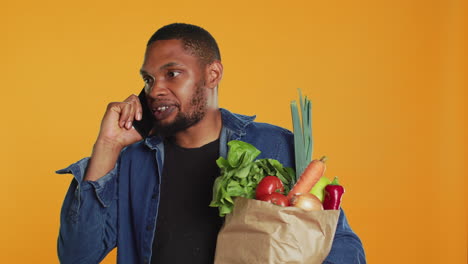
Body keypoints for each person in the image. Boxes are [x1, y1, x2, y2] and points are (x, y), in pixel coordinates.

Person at [57, 23, 366, 264]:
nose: (154, 91)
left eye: (172, 74)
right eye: (149, 80)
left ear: (213, 74)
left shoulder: (275, 146)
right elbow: (76, 256)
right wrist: (109, 145)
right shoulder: (130, 162)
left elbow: (344, 247)